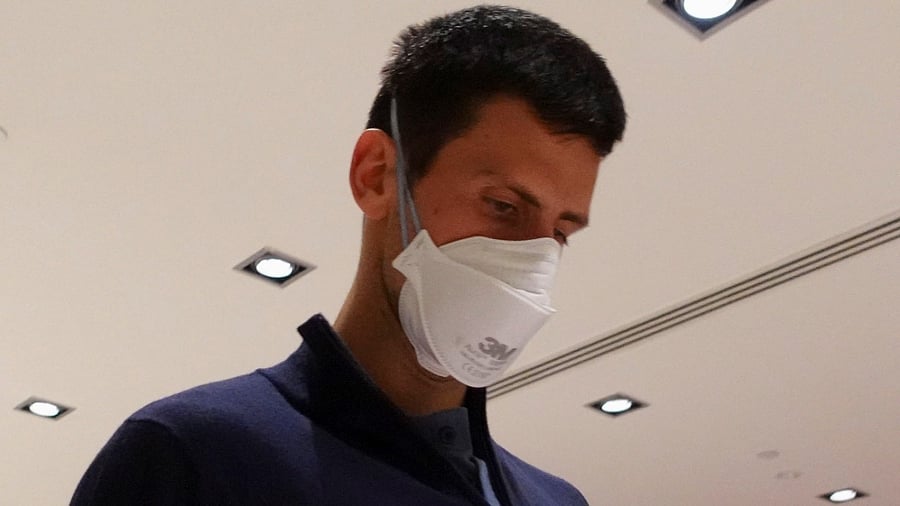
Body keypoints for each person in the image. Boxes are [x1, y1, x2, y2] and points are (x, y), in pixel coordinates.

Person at [71, 5, 626, 505]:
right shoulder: (197, 457)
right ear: (378, 175)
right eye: (503, 205)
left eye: (559, 232)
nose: (530, 259)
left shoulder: (554, 500)